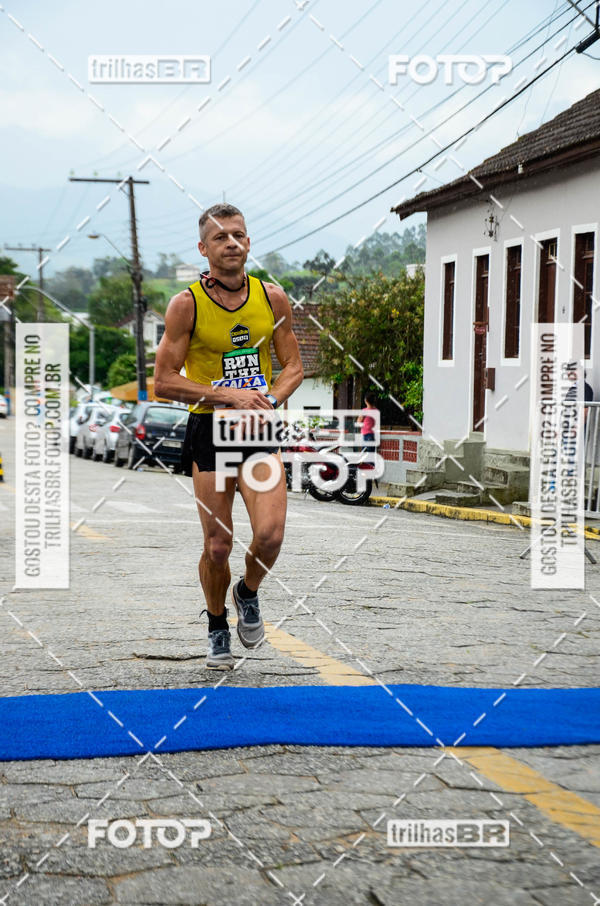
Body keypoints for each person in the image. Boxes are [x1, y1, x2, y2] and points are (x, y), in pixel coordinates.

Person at [154, 204, 303, 669]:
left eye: (238, 235)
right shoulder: (186, 304)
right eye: (221, 238)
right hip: (209, 430)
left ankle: (247, 591)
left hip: (256, 429)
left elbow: (294, 367)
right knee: (217, 546)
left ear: (249, 243)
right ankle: (218, 622)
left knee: (271, 535)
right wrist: (225, 395)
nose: (232, 243)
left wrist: (268, 400)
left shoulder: (273, 298)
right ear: (204, 248)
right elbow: (163, 380)